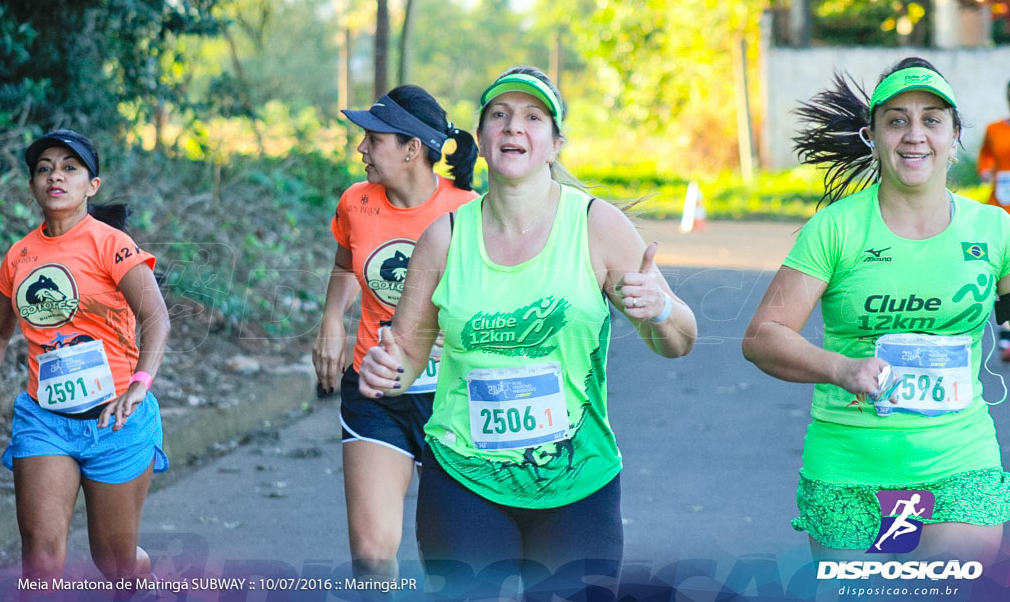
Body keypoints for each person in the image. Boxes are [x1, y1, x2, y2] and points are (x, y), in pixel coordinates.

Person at [358, 67, 697, 595]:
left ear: (554, 143)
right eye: (499, 115)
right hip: (464, 476)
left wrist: (659, 310)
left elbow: (680, 340)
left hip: (577, 478)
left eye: (533, 117)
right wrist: (387, 369)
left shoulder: (596, 225)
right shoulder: (444, 237)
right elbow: (405, 356)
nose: (514, 127)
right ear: (483, 138)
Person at [743, 58, 1010, 564]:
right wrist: (841, 368)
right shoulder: (834, 229)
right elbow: (763, 337)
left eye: (932, 119)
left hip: (960, 456)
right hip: (848, 464)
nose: (915, 135)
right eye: (897, 120)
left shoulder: (993, 231)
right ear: (872, 135)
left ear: (955, 137)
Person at [0, 130, 170, 585]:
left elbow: (157, 319)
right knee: (42, 562)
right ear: (32, 185)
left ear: (93, 186)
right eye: (44, 168)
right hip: (45, 420)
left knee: (115, 564)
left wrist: (139, 386)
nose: (55, 176)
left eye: (70, 167)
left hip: (116, 420)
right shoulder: (20, 255)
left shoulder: (112, 245)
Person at [311, 85, 479, 581]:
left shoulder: (470, 213)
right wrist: (330, 320)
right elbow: (346, 261)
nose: (361, 148)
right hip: (375, 389)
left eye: (372, 138)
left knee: (448, 560)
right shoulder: (355, 202)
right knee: (372, 555)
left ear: (412, 149)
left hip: (453, 398)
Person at [977, 79, 1010, 360]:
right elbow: (985, 157)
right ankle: (1007, 333)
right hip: (1001, 207)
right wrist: (986, 170)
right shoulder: (994, 130)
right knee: (1005, 277)